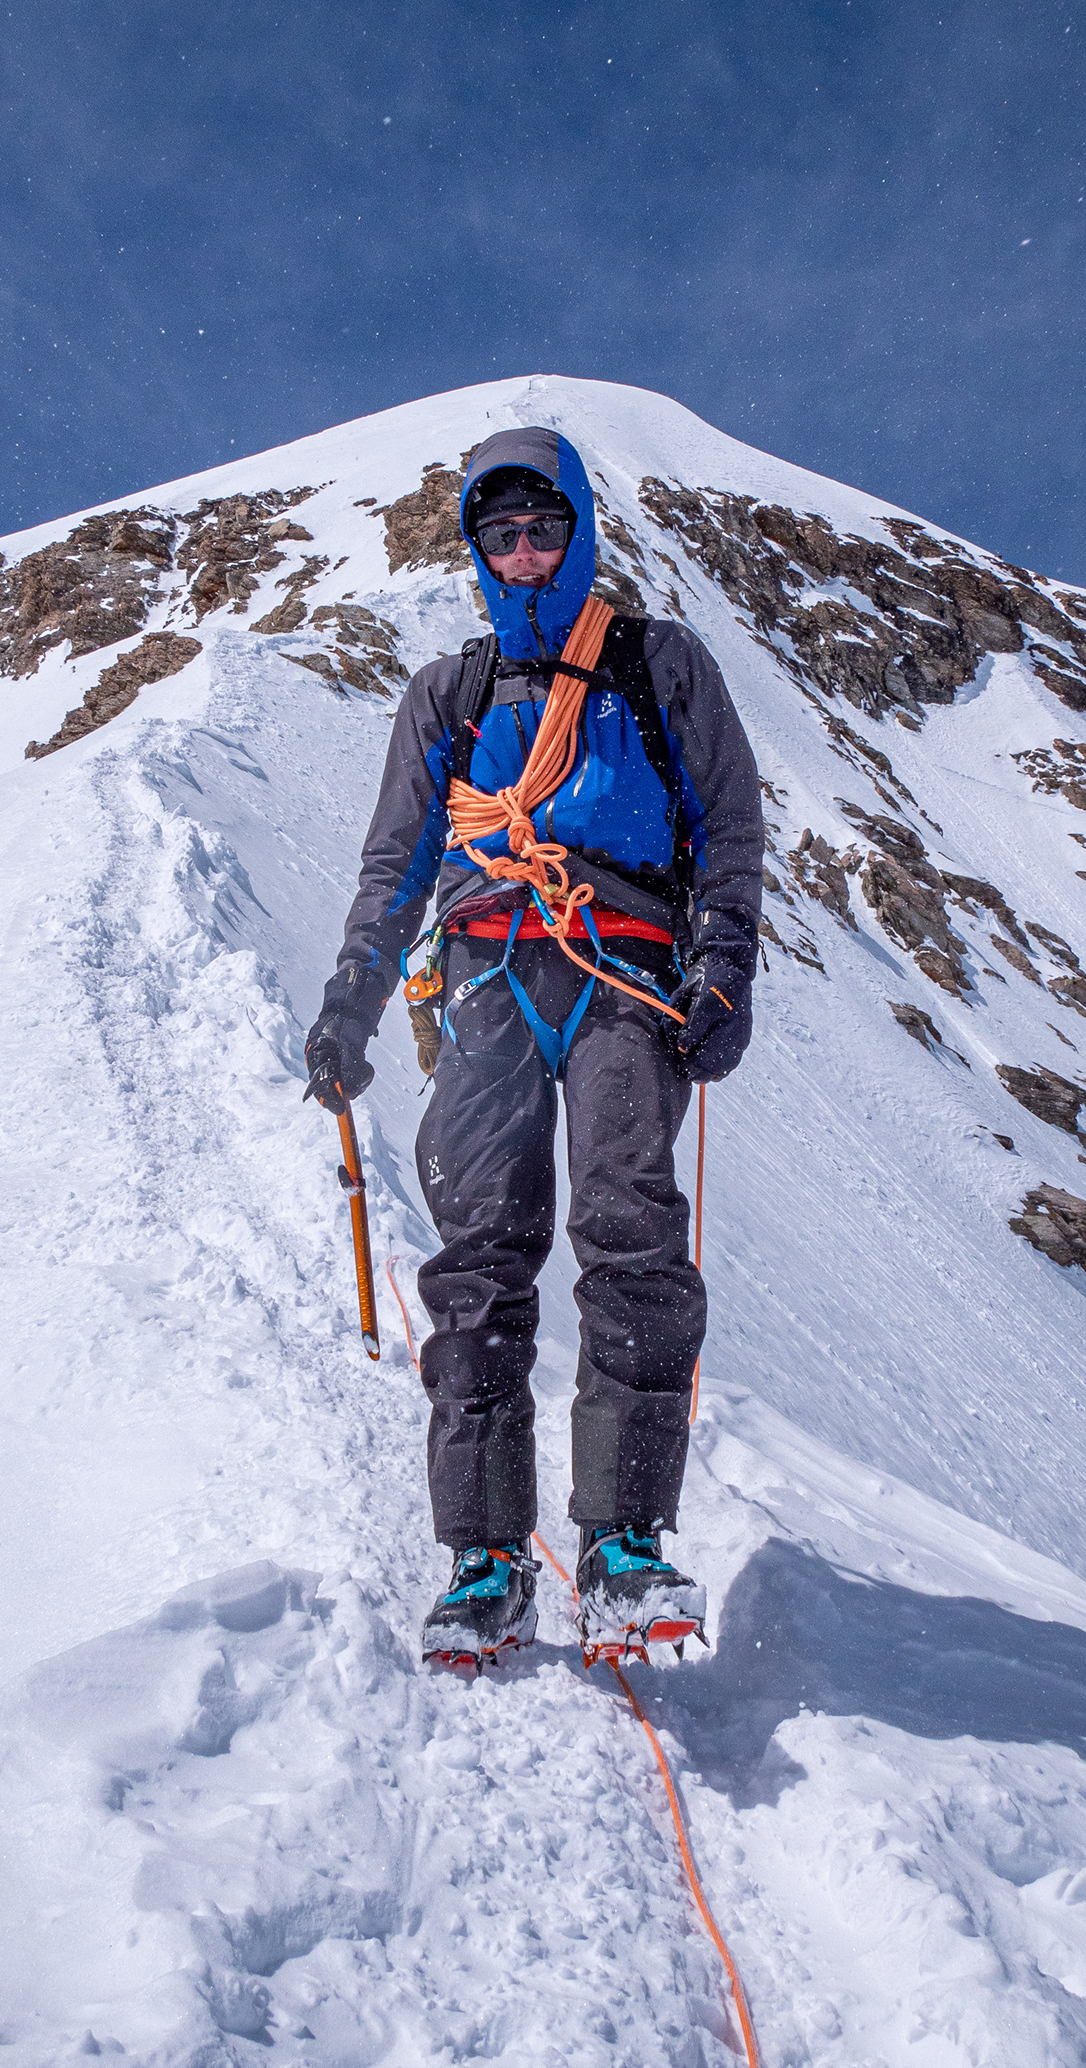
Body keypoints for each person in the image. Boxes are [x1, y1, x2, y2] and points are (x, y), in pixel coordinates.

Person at [304, 427, 765, 1668]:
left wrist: (725, 966)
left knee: (631, 1238)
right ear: (474, 547)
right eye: (497, 533)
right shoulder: (447, 696)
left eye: (540, 527)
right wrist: (352, 998)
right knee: (480, 1260)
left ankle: (622, 1541)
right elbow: (396, 860)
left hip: (624, 967)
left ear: (578, 531)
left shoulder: (661, 665)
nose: (520, 551)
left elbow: (727, 824)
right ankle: (484, 1555)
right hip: (487, 974)